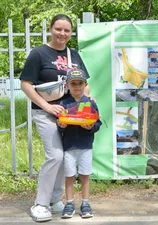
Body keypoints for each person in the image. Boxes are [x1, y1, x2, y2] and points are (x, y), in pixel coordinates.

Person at [20, 14, 91, 222]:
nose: (62, 34)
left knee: (66, 155)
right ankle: (40, 204)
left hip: (70, 115)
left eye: (67, 30)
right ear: (51, 29)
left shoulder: (74, 55)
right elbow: (26, 84)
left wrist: (86, 105)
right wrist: (47, 107)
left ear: (71, 33)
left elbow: (84, 84)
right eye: (58, 29)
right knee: (56, 156)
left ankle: (54, 199)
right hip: (45, 112)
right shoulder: (39, 54)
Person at [57, 68, 102, 219]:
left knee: (85, 175)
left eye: (80, 83)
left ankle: (85, 203)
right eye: (73, 83)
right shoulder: (63, 103)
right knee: (69, 175)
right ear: (67, 85)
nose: (77, 86)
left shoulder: (90, 103)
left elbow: (97, 123)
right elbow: (59, 124)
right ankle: (69, 203)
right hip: (68, 146)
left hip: (85, 146)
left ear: (85, 84)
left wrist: (91, 128)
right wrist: (61, 126)